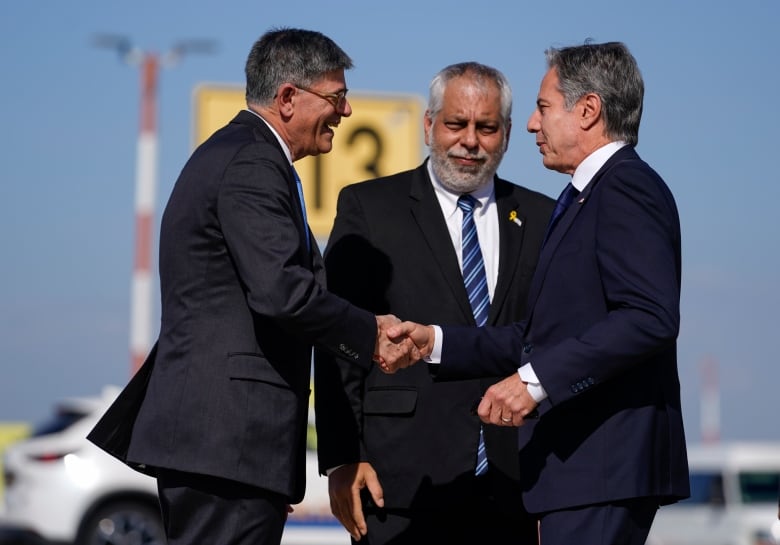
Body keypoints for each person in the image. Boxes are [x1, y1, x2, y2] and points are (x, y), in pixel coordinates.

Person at [87, 27, 415, 545]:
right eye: (337, 96)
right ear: (288, 98)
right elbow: (282, 292)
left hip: (229, 450)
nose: (346, 111)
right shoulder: (253, 162)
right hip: (226, 445)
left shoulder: (242, 155)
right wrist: (371, 334)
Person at [388, 42, 690, 545]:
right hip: (579, 474)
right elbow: (539, 336)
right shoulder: (578, 199)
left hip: (604, 467)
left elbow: (649, 317)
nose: (531, 123)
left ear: (588, 110)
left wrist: (533, 382)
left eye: (544, 107)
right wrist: (435, 342)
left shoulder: (625, 188)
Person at [314, 62, 554, 544]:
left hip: (514, 483)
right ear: (429, 125)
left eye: (486, 128)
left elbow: (550, 338)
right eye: (455, 124)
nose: (470, 141)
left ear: (505, 133)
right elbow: (337, 337)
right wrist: (342, 457)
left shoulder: (545, 216)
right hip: (398, 481)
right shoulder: (369, 207)